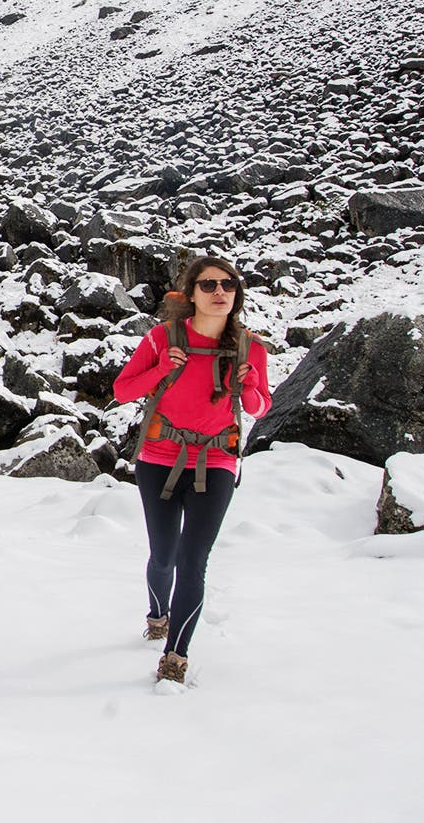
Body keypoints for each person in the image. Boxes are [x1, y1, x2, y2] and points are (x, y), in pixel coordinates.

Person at [111, 256, 271, 686]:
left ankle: (175, 656)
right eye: (209, 285)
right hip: (160, 458)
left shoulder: (250, 347)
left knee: (192, 560)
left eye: (229, 285)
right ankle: (158, 615)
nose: (220, 292)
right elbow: (123, 390)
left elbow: (259, 408)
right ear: (192, 293)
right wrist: (165, 367)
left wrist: (251, 383)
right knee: (164, 555)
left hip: (217, 461)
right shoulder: (163, 338)